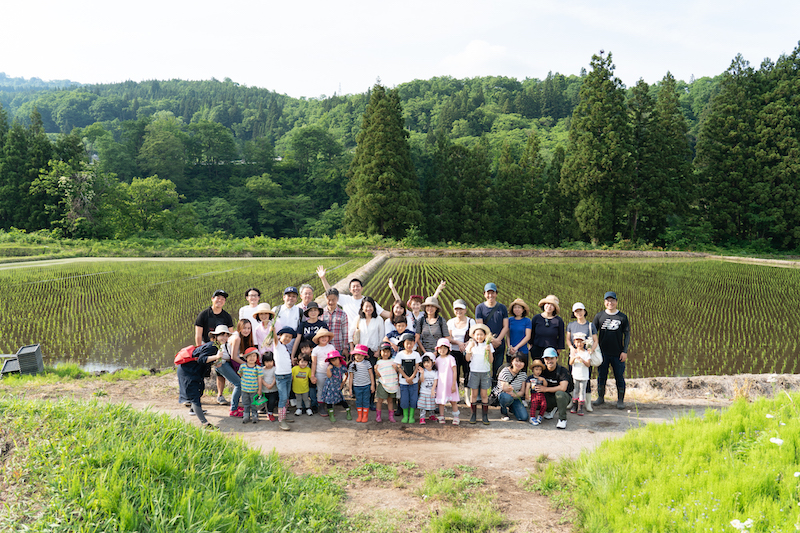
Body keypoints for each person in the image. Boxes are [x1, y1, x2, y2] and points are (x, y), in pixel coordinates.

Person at [316, 266, 391, 345]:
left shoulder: (368, 302)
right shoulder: (346, 299)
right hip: (350, 337)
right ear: (350, 289)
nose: (356, 288)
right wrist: (323, 278)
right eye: (353, 287)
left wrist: (401, 314)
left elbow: (384, 313)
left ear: (362, 288)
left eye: (358, 286)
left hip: (365, 338)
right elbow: (331, 292)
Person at [177, 325, 229, 429]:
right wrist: (216, 357)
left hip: (194, 370)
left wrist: (215, 362)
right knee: (195, 395)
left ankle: (193, 410)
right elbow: (201, 359)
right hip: (188, 371)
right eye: (222, 335)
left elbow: (204, 360)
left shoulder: (217, 345)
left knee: (200, 390)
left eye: (227, 335)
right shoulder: (213, 346)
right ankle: (204, 423)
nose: (224, 337)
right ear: (215, 336)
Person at [194, 289, 234, 406]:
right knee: (200, 371)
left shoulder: (226, 316)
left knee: (220, 372)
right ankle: (196, 396)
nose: (220, 300)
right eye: (217, 298)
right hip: (207, 348)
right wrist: (199, 350)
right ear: (212, 299)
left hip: (221, 348)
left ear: (224, 301)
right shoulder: (204, 314)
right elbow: (198, 334)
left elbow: (230, 334)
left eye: (222, 299)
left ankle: (220, 395)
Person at [592, 291, 630, 410]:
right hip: (602, 353)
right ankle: (601, 397)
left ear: (616, 302)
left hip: (618, 353)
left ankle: (620, 400)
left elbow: (627, 334)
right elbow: (593, 333)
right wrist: (592, 349)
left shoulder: (622, 317)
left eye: (612, 300)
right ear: (604, 302)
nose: (610, 303)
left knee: (619, 376)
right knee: (601, 376)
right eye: (608, 301)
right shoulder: (599, 316)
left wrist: (625, 351)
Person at [566, 302, 598, 412]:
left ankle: (587, 403)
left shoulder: (590, 325)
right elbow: (568, 339)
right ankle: (572, 401)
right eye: (576, 311)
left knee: (586, 379)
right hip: (574, 354)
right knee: (573, 378)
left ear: (585, 311)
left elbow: (595, 340)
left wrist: (591, 350)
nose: (579, 313)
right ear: (574, 313)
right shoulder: (571, 325)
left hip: (585, 355)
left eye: (581, 310)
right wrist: (571, 348)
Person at [475, 282, 508, 383]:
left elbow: (505, 326)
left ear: (496, 294)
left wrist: (498, 340)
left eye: (492, 293)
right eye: (488, 293)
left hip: (500, 344)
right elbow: (481, 327)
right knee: (484, 369)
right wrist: (491, 340)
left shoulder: (502, 308)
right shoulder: (479, 308)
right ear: (484, 294)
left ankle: (495, 393)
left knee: (498, 370)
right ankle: (483, 393)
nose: (490, 295)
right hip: (485, 344)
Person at [447, 299, 475, 405]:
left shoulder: (470, 321)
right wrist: (458, 343)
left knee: (468, 372)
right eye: (457, 309)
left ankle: (467, 397)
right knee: (455, 373)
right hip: (454, 351)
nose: (459, 311)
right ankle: (455, 395)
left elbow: (475, 336)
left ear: (465, 310)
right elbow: (448, 337)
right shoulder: (450, 322)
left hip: (467, 352)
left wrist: (466, 344)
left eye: (461, 309)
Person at [466, 323, 494, 425]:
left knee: (483, 394)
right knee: (473, 394)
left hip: (485, 373)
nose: (479, 337)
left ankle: (485, 416)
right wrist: (469, 349)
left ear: (485, 336)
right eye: (477, 334)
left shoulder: (488, 345)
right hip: (474, 372)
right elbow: (467, 359)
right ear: (473, 335)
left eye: (481, 334)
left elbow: (491, 361)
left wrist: (489, 351)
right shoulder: (471, 344)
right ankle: (473, 415)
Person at [538, 347, 572, 429]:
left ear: (556, 358)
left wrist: (545, 389)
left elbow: (563, 388)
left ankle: (562, 419)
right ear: (544, 359)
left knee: (559, 394)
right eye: (547, 358)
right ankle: (551, 410)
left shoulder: (562, 370)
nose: (549, 361)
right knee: (536, 399)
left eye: (552, 358)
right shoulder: (541, 370)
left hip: (563, 396)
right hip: (549, 396)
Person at [273, 326, 296, 431]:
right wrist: (273, 330)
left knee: (286, 397)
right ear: (280, 336)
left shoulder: (285, 348)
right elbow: (274, 338)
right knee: (283, 398)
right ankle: (281, 421)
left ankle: (284, 417)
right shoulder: (277, 345)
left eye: (290, 337)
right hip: (281, 376)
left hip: (288, 375)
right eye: (286, 336)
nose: (287, 338)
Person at [395, 332, 422, 424]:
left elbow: (416, 367)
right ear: (403, 344)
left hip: (414, 382)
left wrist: (412, 378)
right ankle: (405, 416)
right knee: (404, 399)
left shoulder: (416, 355)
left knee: (414, 399)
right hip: (403, 382)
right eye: (407, 343)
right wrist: (407, 378)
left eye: (411, 343)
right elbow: (399, 367)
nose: (409, 345)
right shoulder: (400, 355)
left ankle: (411, 416)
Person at [530, 295, 565, 363]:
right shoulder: (536, 318)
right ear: (544, 305)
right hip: (537, 349)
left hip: (551, 351)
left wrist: (559, 350)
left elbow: (561, 336)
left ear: (554, 308)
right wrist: (530, 346)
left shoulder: (558, 320)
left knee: (549, 370)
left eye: (552, 305)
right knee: (537, 370)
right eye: (547, 304)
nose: (549, 306)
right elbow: (532, 333)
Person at [434, 338, 461, 425]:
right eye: (440, 348)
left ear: (448, 349)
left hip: (450, 383)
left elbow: (454, 371)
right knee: (441, 402)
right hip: (441, 385)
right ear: (437, 349)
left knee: (453, 401)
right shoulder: (437, 360)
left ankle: (456, 417)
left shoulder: (451, 358)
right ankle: (441, 416)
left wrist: (454, 384)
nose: (442, 350)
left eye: (445, 348)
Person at [495, 354, 528, 422]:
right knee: (507, 398)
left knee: (523, 417)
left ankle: (512, 408)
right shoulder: (505, 371)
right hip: (504, 395)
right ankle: (503, 412)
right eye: (516, 361)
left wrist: (515, 394)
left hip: (515, 397)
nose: (519, 364)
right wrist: (508, 389)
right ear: (512, 361)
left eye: (521, 362)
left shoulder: (523, 375)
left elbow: (522, 392)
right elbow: (503, 388)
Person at [311, 328, 336, 416]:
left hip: (330, 372)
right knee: (321, 389)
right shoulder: (315, 349)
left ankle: (330, 407)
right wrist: (312, 375)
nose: (324, 338)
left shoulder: (331, 347)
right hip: (320, 372)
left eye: (326, 336)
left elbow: (335, 359)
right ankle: (321, 407)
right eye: (321, 337)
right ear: (318, 339)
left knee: (331, 389)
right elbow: (314, 363)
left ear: (328, 338)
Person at [372, 343, 399, 423]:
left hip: (392, 384)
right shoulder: (379, 362)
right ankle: (378, 416)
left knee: (390, 401)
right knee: (380, 400)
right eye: (384, 351)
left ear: (390, 353)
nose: (386, 353)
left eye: (388, 351)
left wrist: (396, 368)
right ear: (380, 352)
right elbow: (379, 375)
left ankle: (391, 417)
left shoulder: (393, 361)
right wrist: (376, 370)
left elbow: (396, 372)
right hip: (383, 384)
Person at [322, 350, 352, 422]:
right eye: (332, 360)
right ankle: (331, 415)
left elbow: (346, 374)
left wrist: (343, 383)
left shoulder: (343, 367)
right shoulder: (331, 368)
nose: (335, 362)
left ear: (339, 359)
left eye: (336, 359)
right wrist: (328, 369)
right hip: (330, 386)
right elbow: (329, 376)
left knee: (341, 400)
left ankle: (348, 411)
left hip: (338, 386)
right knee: (329, 401)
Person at [348, 345, 375, 423]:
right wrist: (350, 388)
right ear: (354, 355)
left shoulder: (367, 363)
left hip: (367, 386)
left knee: (366, 401)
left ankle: (365, 416)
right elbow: (351, 378)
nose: (359, 357)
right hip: (357, 386)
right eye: (357, 354)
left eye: (361, 355)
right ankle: (360, 415)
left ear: (364, 356)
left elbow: (371, 374)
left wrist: (372, 385)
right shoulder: (352, 365)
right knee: (358, 401)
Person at [569, 332, 591, 416]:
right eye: (577, 342)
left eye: (581, 342)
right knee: (576, 390)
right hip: (576, 375)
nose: (579, 344)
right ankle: (574, 406)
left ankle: (580, 408)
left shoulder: (586, 353)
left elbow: (588, 364)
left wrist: (583, 360)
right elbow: (570, 363)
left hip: (584, 376)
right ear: (574, 343)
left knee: (582, 391)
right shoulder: (574, 353)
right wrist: (574, 357)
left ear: (584, 343)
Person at [238, 347, 263, 424]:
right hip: (244, 389)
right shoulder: (242, 366)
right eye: (250, 356)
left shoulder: (258, 368)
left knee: (254, 404)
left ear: (257, 358)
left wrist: (259, 390)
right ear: (246, 357)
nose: (252, 358)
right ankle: (246, 415)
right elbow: (240, 373)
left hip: (254, 390)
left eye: (254, 356)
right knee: (245, 403)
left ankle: (255, 415)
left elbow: (259, 379)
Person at [507, 298, 532, 370]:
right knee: (510, 371)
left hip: (523, 351)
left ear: (523, 309)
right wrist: (509, 347)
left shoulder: (527, 321)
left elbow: (528, 336)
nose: (517, 309)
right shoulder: (509, 320)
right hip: (511, 352)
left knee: (522, 374)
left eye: (519, 307)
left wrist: (516, 347)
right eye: (515, 307)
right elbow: (507, 335)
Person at [417, 354, 438, 425]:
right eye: (424, 362)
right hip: (424, 391)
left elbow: (435, 381)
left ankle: (431, 415)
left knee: (432, 404)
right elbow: (422, 380)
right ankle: (422, 417)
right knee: (423, 405)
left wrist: (433, 390)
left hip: (431, 391)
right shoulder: (423, 371)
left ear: (432, 362)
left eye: (428, 362)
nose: (426, 364)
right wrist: (422, 373)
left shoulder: (435, 372)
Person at [525, 360, 548, 425]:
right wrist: (526, 394)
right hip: (534, 394)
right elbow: (527, 386)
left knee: (544, 404)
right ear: (533, 370)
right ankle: (532, 417)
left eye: (540, 370)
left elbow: (545, 385)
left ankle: (540, 415)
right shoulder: (530, 378)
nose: (538, 371)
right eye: (536, 369)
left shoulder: (542, 377)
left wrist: (543, 380)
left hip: (542, 394)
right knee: (534, 405)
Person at [260, 353, 278, 422]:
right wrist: (266, 385)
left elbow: (275, 378)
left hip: (273, 389)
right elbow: (261, 379)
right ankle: (264, 410)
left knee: (272, 401)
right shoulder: (262, 369)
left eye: (271, 361)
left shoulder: (275, 369)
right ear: (263, 362)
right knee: (265, 401)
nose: (269, 363)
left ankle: (270, 413)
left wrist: (271, 385)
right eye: (267, 362)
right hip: (264, 390)